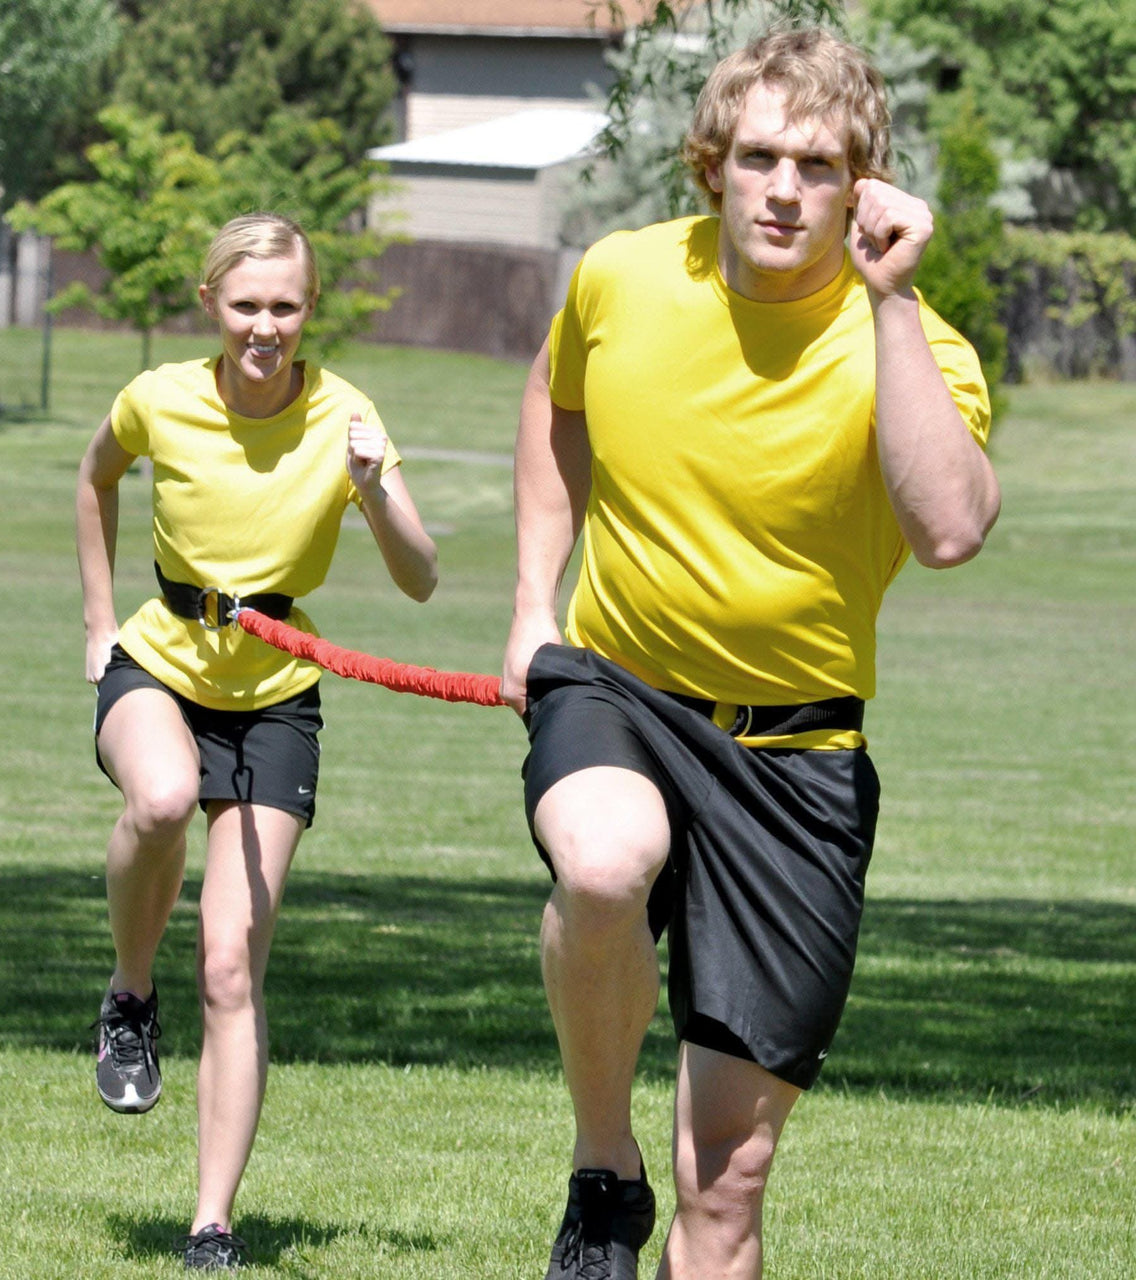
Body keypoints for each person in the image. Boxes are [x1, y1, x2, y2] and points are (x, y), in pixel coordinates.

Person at [501, 26, 999, 1280]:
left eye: (819, 165)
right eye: (761, 155)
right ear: (712, 161)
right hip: (618, 681)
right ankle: (601, 1162)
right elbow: (554, 398)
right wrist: (528, 600)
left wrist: (885, 300)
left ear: (862, 185)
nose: (785, 187)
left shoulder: (914, 344)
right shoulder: (620, 276)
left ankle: (662, 1195)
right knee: (603, 864)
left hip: (798, 753)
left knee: (726, 1183)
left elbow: (947, 528)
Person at [76, 212, 437, 1271]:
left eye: (285, 306)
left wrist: (372, 491)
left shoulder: (345, 413)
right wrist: (98, 626)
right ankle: (130, 992)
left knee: (232, 964)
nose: (265, 327)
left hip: (277, 692)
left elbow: (420, 576)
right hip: (160, 663)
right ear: (210, 305)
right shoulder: (158, 397)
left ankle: (210, 1224)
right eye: (246, 306)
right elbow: (94, 478)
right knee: (157, 795)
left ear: (308, 309)